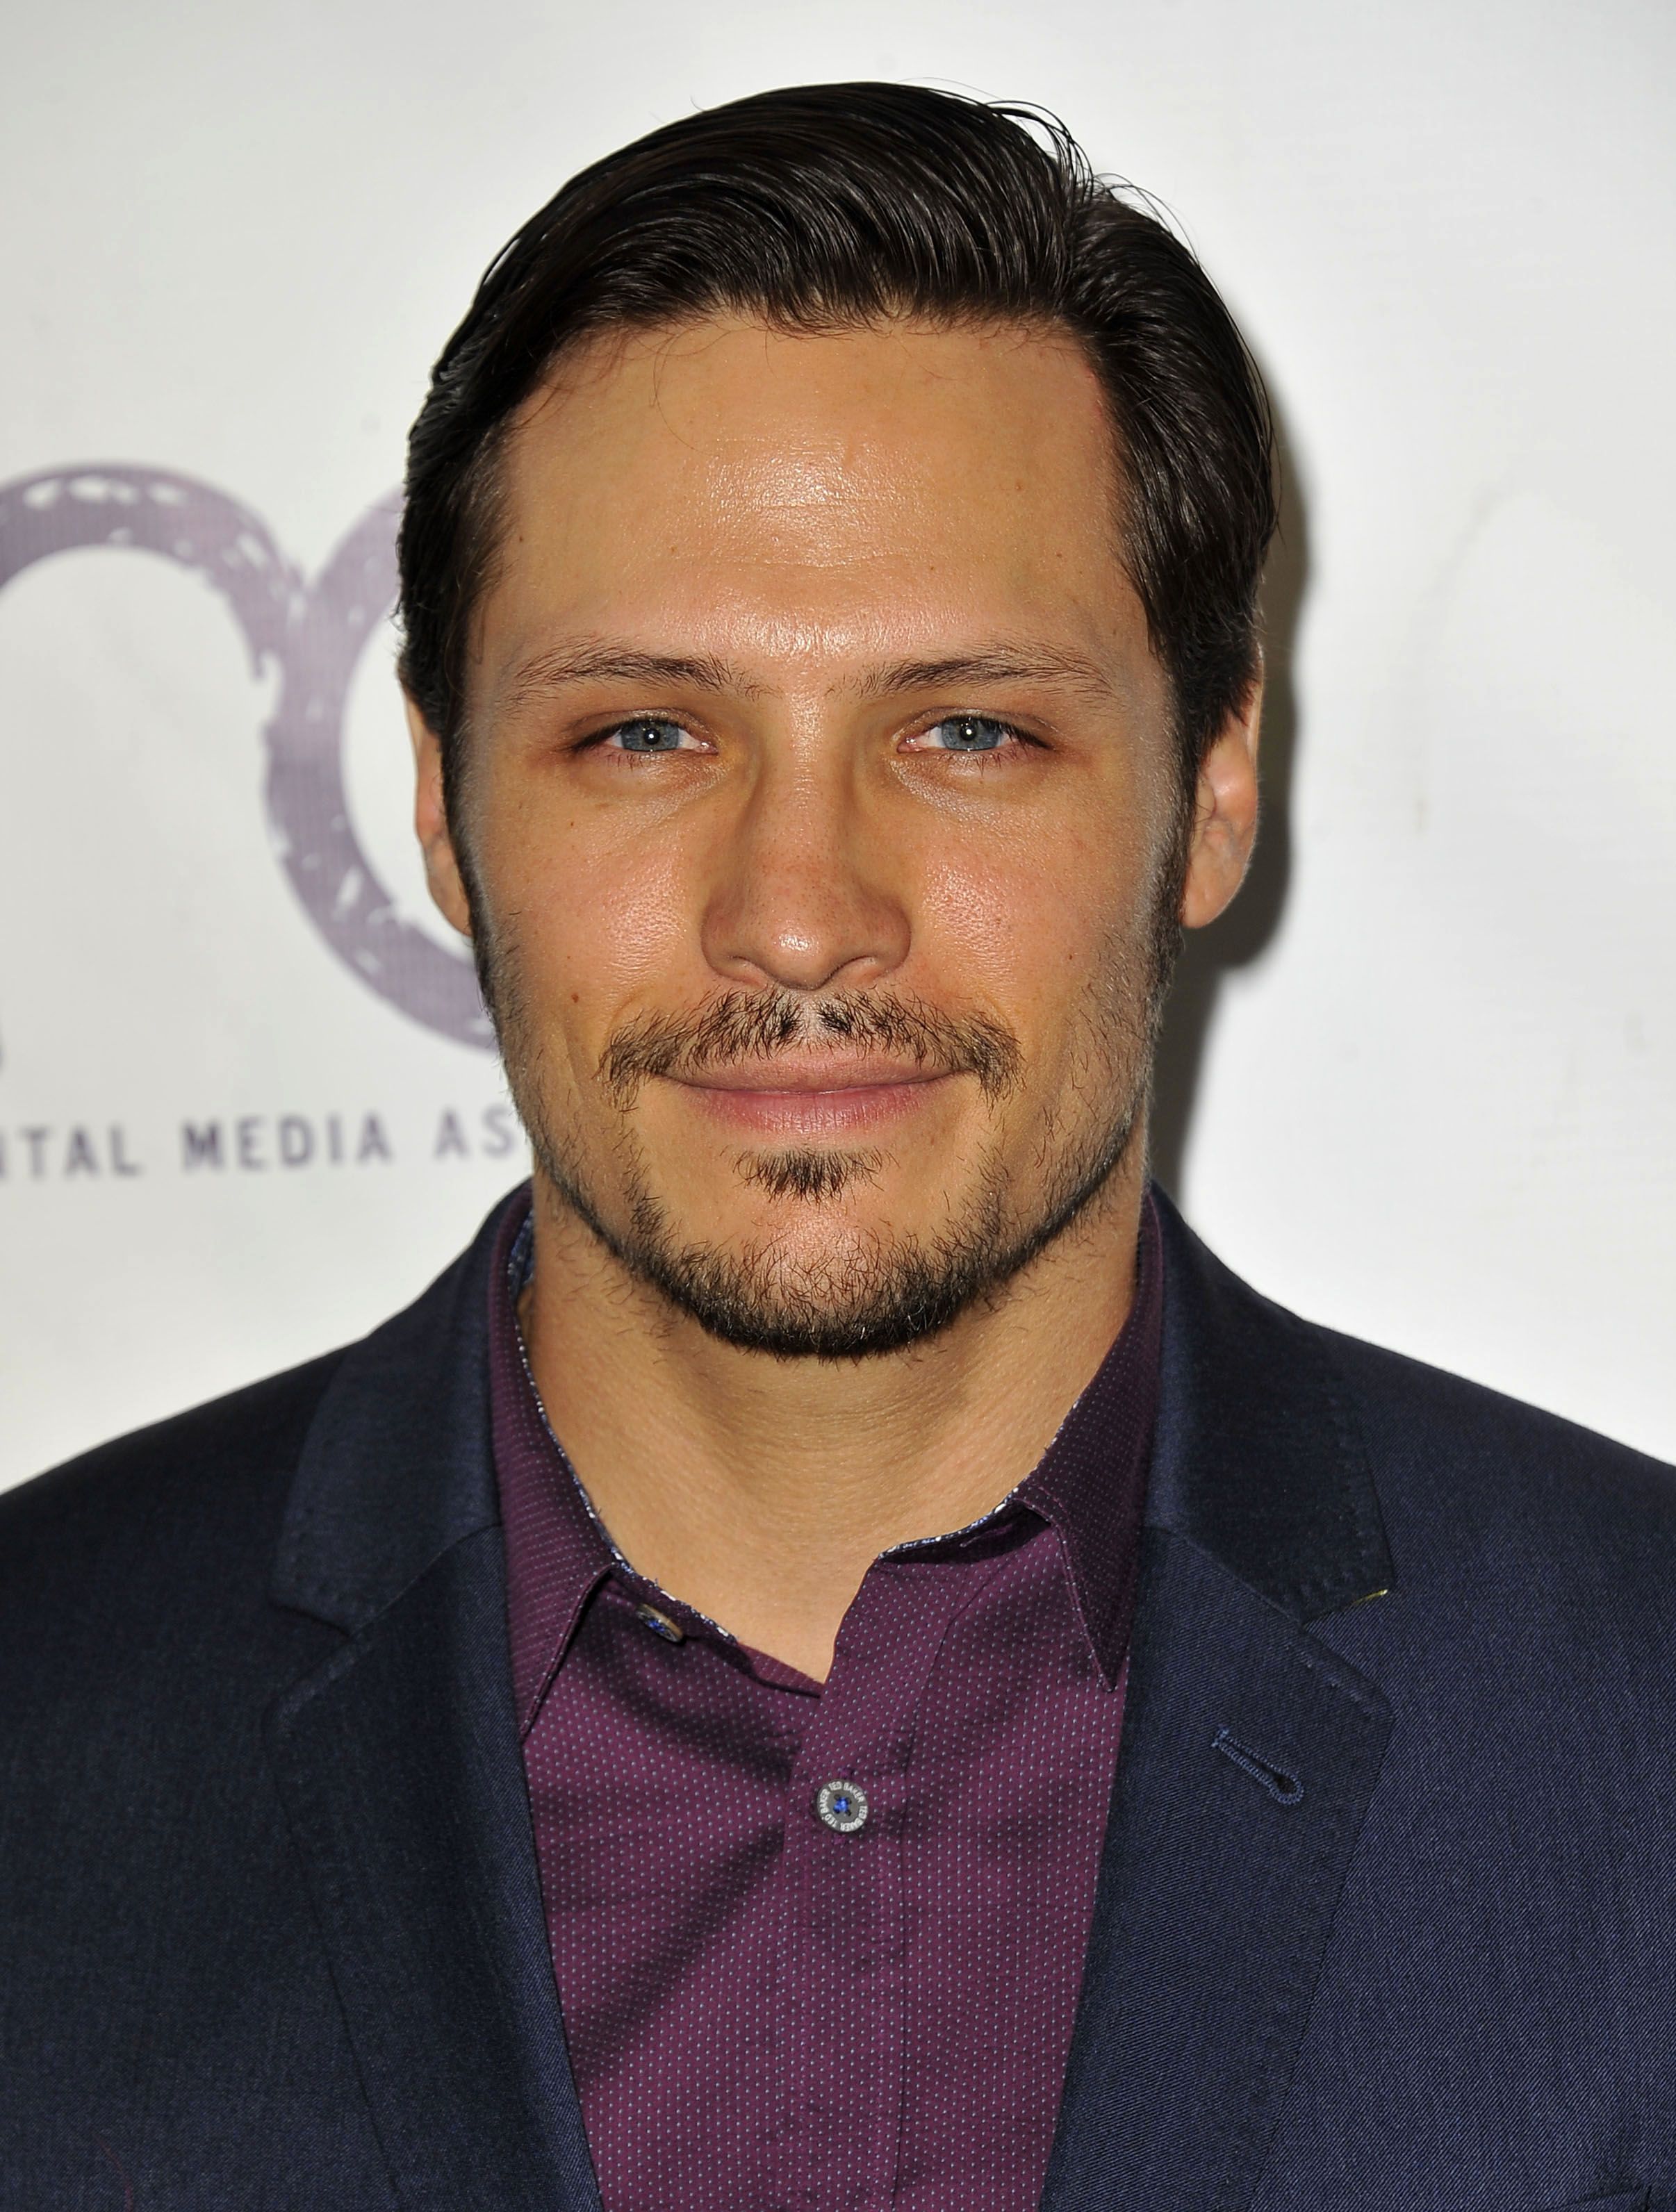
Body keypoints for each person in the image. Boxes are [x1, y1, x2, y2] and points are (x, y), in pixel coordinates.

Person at [1, 81, 1672, 2212]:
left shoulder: (1637, 1734)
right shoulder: (36, 1722)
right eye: (645, 734)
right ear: (438, 802)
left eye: (965, 730)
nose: (796, 911)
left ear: (1215, 784)